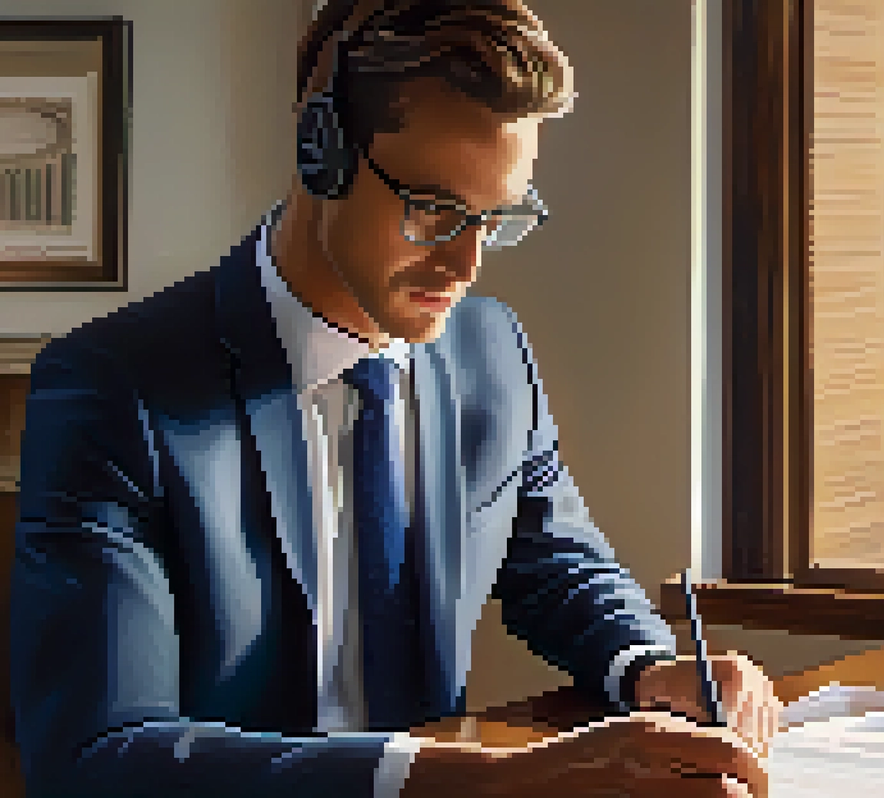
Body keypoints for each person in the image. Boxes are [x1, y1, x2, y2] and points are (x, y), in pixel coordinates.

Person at [8, 1, 779, 796]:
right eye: (436, 211)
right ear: (323, 152)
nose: (466, 263)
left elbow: (556, 562)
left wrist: (649, 665)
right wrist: (474, 781)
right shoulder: (116, 385)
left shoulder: (490, 352)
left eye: (499, 218)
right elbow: (94, 755)